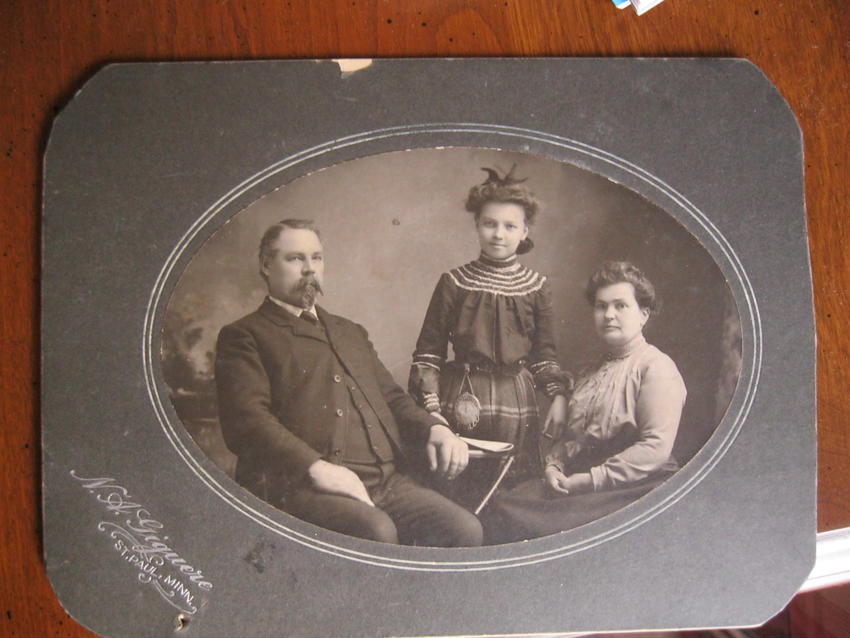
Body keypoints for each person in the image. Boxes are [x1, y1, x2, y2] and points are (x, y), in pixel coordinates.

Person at [215, 219, 483, 547]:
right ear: (266, 266)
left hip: (386, 482)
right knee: (376, 532)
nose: (309, 269)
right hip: (302, 484)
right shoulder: (246, 335)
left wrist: (435, 428)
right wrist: (315, 467)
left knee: (463, 529)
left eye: (316, 258)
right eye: (295, 258)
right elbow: (246, 421)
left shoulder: (349, 331)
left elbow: (391, 397)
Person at [486, 261, 687, 542]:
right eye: (601, 306)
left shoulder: (655, 367)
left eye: (620, 306)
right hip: (582, 478)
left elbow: (655, 448)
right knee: (502, 504)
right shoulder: (591, 371)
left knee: (541, 528)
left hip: (636, 486)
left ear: (643, 314)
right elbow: (575, 438)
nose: (609, 315)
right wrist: (554, 465)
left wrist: (591, 480)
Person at [408, 167, 570, 506]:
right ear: (477, 226)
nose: (499, 234)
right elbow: (429, 354)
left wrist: (557, 395)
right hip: (463, 397)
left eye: (510, 226)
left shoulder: (537, 287)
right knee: (459, 490)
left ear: (524, 231)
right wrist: (432, 410)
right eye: (489, 224)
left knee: (509, 494)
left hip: (516, 399)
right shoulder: (454, 282)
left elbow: (544, 356)